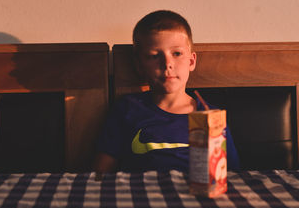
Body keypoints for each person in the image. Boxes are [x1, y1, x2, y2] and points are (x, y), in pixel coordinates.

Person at [94, 10, 239, 173]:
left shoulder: (212, 117)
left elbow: (230, 175)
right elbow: (101, 173)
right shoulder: (127, 109)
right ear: (139, 66)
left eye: (177, 53)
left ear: (191, 61)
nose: (167, 64)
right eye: (154, 56)